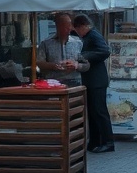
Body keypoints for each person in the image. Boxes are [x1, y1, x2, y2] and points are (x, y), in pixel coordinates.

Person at [72, 14, 115, 153]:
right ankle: (95, 141)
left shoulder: (93, 35)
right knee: (92, 112)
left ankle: (108, 141)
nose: (78, 33)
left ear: (83, 26)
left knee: (99, 111)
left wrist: (84, 56)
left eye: (78, 29)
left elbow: (105, 50)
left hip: (97, 80)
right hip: (91, 80)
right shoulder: (88, 36)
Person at [37, 12, 88, 87]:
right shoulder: (46, 43)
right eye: (65, 27)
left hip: (75, 82)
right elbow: (39, 63)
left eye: (69, 26)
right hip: (54, 82)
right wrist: (53, 66)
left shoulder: (78, 42)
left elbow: (87, 64)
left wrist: (76, 65)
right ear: (58, 27)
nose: (69, 30)